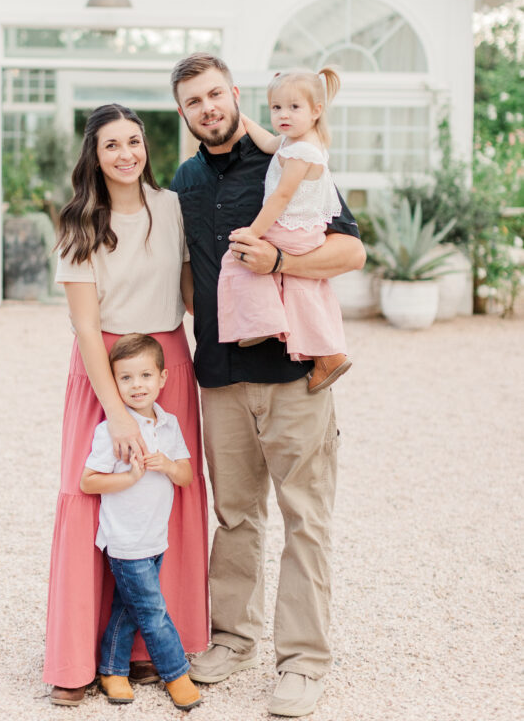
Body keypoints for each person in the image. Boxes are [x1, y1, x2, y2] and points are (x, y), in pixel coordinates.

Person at [169, 54, 365, 719]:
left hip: (292, 379)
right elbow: (184, 277)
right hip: (219, 378)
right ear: (183, 112)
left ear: (234, 96)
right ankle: (231, 640)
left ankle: (304, 663)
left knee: (305, 521)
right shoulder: (183, 181)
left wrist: (280, 259)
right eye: (193, 100)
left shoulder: (288, 158)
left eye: (215, 94)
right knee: (235, 518)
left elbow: (350, 252)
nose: (207, 108)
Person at [43, 104, 209, 707]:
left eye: (134, 141)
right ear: (95, 154)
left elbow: (189, 289)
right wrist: (114, 408)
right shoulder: (79, 223)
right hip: (104, 363)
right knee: (95, 494)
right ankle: (74, 658)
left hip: (167, 362)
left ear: (147, 146)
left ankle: (146, 652)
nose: (125, 153)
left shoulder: (170, 207)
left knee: (165, 493)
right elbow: (85, 328)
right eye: (111, 144)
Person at [80, 333, 201, 712]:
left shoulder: (168, 425)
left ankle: (112, 669)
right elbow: (88, 481)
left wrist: (166, 464)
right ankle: (176, 673)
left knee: (128, 607)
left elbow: (186, 476)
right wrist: (129, 479)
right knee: (151, 610)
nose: (137, 385)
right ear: (113, 383)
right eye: (126, 378)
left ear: (162, 379)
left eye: (145, 376)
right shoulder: (111, 430)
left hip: (155, 537)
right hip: (125, 540)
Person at [217, 67, 351, 394]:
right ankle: (328, 353)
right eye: (276, 108)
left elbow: (281, 197)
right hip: (303, 228)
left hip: (292, 228)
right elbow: (266, 142)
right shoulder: (297, 141)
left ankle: (260, 323)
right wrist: (242, 119)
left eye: (294, 107)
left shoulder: (302, 152)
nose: (283, 115)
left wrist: (253, 233)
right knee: (299, 289)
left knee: (237, 259)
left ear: (316, 111)